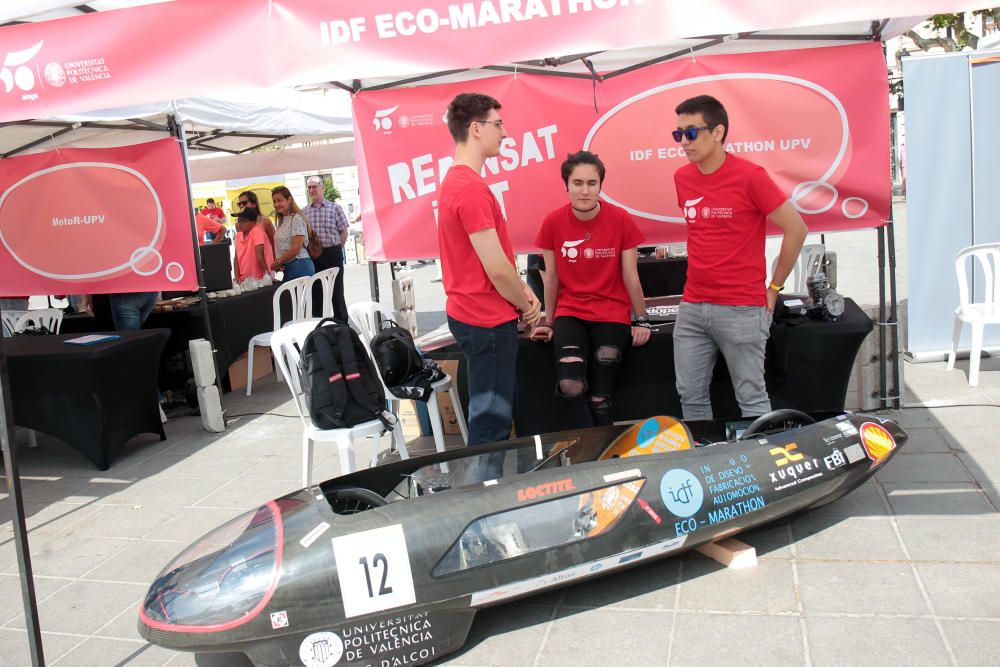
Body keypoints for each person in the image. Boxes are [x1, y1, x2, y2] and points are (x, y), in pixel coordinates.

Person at [671, 95, 808, 420]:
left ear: (717, 132)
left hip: (741, 307)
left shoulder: (750, 176)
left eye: (690, 133)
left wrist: (774, 288)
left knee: (750, 396)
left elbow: (797, 228)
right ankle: (702, 465)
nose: (683, 142)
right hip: (692, 306)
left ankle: (759, 465)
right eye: (678, 135)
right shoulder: (682, 178)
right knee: (690, 395)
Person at [438, 92, 541, 452]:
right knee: (491, 423)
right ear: (476, 128)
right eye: (498, 124)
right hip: (484, 318)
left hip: (477, 314)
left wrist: (521, 296)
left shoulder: (459, 183)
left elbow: (495, 264)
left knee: (492, 417)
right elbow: (496, 269)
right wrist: (528, 304)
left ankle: (486, 492)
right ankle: (484, 497)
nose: (505, 132)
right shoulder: (469, 188)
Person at [530, 151, 651, 428]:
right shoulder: (552, 222)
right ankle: (585, 454)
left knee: (600, 394)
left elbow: (631, 275)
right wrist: (548, 322)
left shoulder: (621, 219)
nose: (585, 191)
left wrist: (641, 319)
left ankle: (605, 457)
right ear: (567, 185)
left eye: (592, 183)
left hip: (611, 313)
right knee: (570, 385)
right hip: (570, 312)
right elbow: (551, 280)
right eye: (578, 183)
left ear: (600, 185)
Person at [303, 175, 349, 321]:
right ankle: (319, 326)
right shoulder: (305, 211)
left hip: (332, 253)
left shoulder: (335, 208)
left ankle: (343, 325)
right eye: (309, 187)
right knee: (317, 292)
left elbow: (344, 231)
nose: (311, 190)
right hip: (314, 256)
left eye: (314, 186)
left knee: (336, 292)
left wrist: (336, 249)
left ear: (323, 188)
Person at [269, 186, 315, 281]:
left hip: (300, 266)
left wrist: (278, 262)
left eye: (280, 200)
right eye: (274, 201)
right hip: (290, 267)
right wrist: (281, 263)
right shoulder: (282, 221)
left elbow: (295, 248)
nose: (276, 204)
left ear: (289, 199)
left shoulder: (296, 218)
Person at [233, 208, 275, 283]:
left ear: (253, 222)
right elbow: (236, 259)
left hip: (259, 279)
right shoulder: (238, 235)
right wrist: (237, 279)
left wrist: (268, 275)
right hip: (244, 280)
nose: (239, 223)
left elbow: (260, 256)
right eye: (238, 220)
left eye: (243, 221)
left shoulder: (256, 231)